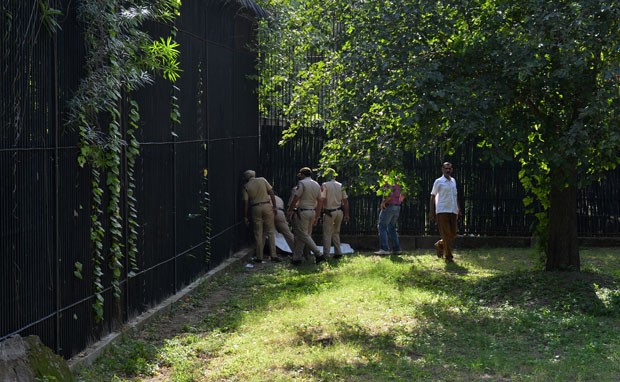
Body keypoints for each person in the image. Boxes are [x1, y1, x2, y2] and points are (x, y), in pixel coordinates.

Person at [286, 167, 325, 265]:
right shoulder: (316, 184)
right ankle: (296, 258)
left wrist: (290, 210)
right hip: (312, 211)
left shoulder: (302, 183)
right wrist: (317, 214)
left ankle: (318, 253)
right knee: (302, 236)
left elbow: (296, 197)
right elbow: (320, 201)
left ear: (302, 175)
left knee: (303, 235)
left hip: (302, 212)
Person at [242, 170, 281, 263]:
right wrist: (274, 206)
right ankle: (273, 255)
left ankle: (259, 256)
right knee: (270, 231)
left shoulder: (246, 187)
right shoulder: (262, 180)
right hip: (267, 205)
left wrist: (245, 216)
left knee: (258, 233)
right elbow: (271, 192)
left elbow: (245, 202)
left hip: (255, 207)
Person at [428, 162, 460, 263]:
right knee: (446, 234)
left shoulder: (453, 181)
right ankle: (448, 257)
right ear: (442, 169)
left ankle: (439, 245)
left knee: (453, 233)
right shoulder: (438, 181)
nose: (448, 170)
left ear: (452, 169)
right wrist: (431, 211)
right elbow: (433, 196)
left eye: (449, 168)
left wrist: (458, 208)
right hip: (442, 210)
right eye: (446, 168)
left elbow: (455, 196)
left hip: (453, 210)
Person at [320, 168, 350, 258]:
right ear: (335, 176)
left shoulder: (325, 185)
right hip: (339, 211)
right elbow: (345, 201)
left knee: (327, 233)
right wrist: (347, 214)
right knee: (336, 232)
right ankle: (338, 252)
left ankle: (326, 254)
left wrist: (320, 210)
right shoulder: (341, 185)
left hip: (329, 211)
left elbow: (322, 198)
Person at [374, 176, 405, 255]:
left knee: (382, 226)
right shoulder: (399, 181)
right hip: (397, 206)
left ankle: (384, 248)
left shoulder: (389, 182)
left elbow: (390, 194)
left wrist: (383, 202)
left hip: (389, 206)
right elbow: (403, 194)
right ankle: (397, 249)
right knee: (391, 227)